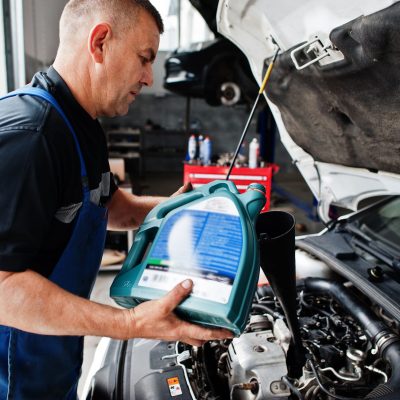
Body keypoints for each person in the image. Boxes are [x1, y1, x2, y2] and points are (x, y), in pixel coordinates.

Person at [0, 1, 232, 399]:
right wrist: (129, 323)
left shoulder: (81, 124)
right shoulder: (31, 136)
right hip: (11, 371)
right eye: (144, 58)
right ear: (101, 42)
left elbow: (112, 208)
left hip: (52, 352)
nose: (148, 77)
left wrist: (190, 211)